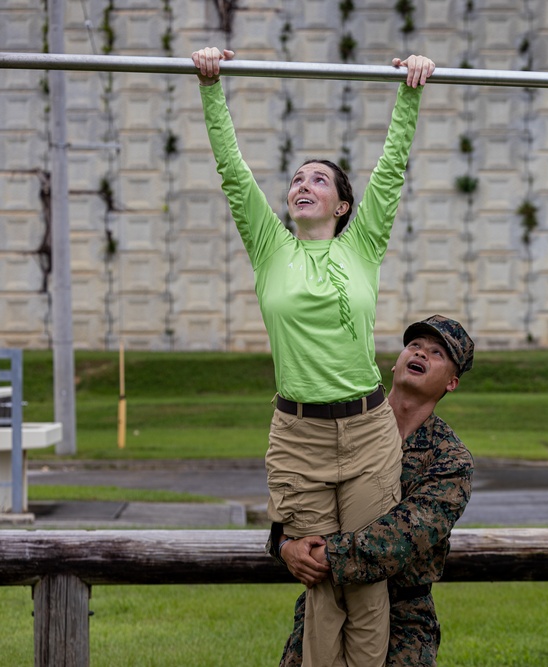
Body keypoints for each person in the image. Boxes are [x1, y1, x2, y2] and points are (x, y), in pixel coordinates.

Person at [192, 46, 436, 666]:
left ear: (343, 206)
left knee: (365, 578)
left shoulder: (363, 245)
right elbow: (232, 169)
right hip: (298, 435)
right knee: (320, 577)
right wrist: (211, 86)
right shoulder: (270, 247)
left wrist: (411, 89)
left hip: (366, 431)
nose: (303, 185)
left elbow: (391, 168)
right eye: (297, 178)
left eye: (319, 179)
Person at [269, 315, 475, 667]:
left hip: (403, 618)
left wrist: (324, 556)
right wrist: (285, 545)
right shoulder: (340, 425)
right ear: (395, 363)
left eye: (437, 352)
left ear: (451, 382)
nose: (421, 354)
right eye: (414, 346)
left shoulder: (450, 459)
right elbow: (297, 494)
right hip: (325, 600)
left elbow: (401, 538)